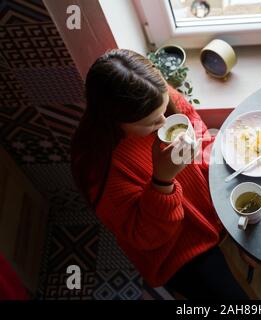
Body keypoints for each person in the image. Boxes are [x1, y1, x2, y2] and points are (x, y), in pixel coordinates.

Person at [71, 49, 248, 300]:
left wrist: (202, 151)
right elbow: (146, 238)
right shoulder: (99, 167)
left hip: (210, 204)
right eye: (152, 123)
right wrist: (162, 181)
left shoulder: (154, 96)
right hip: (176, 249)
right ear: (115, 120)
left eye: (165, 110)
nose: (164, 123)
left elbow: (194, 124)